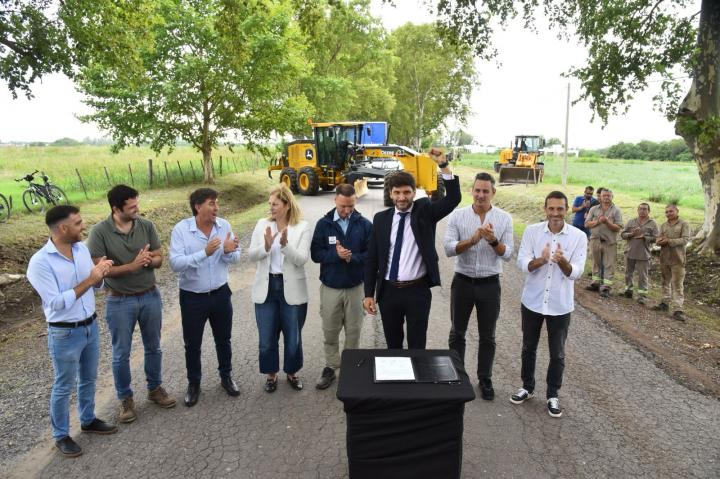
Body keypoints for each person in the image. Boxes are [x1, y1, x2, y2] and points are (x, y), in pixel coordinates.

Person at [26, 205, 118, 457]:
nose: (83, 226)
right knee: (64, 385)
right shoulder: (40, 263)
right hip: (64, 333)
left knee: (88, 378)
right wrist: (91, 279)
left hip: (90, 325)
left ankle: (88, 419)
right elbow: (56, 302)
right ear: (63, 228)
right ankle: (61, 435)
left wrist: (100, 273)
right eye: (78, 223)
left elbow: (95, 286)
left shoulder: (81, 249)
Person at [87, 185, 175, 424]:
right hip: (119, 300)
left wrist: (149, 261)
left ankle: (155, 389)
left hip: (150, 295)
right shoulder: (99, 232)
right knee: (121, 353)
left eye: (137, 204)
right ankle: (125, 398)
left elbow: (159, 257)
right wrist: (132, 265)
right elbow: (101, 270)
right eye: (132, 206)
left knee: (154, 347)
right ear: (116, 209)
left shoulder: (146, 226)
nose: (137, 209)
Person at [364, 148, 461, 349]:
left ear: (414, 193)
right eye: (397, 192)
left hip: (417, 291)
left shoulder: (424, 211)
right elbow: (372, 259)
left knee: (417, 347)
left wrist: (443, 165)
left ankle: (416, 371)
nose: (402, 197)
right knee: (393, 346)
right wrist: (368, 294)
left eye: (406, 192)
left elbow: (453, 199)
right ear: (390, 193)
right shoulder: (381, 219)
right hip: (388, 292)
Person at [511, 191, 587, 418]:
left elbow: (577, 272)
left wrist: (562, 261)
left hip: (560, 305)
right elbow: (522, 263)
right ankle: (527, 387)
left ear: (566, 210)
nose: (555, 213)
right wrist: (542, 260)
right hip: (532, 301)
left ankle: (553, 394)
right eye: (551, 208)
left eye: (560, 209)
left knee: (558, 354)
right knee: (528, 347)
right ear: (545, 209)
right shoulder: (532, 231)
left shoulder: (578, 236)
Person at [443, 172, 513, 400]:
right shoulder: (458, 216)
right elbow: (448, 248)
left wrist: (492, 240)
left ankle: (485, 378)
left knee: (488, 336)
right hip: (462, 281)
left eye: (485, 191)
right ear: (471, 191)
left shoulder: (504, 218)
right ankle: (457, 375)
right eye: (477, 190)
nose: (480, 195)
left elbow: (508, 255)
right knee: (457, 333)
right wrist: (472, 240)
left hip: (489, 284)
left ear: (493, 192)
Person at [169, 188, 241, 407]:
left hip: (220, 293)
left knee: (224, 339)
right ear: (198, 206)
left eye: (217, 203)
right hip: (193, 298)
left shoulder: (224, 226)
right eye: (211, 203)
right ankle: (194, 384)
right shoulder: (182, 230)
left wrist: (228, 251)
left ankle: (226, 377)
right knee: (192, 344)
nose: (216, 207)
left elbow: (236, 257)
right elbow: (175, 264)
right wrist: (205, 253)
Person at [249, 184, 310, 393]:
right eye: (270, 204)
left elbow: (301, 259)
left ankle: (292, 372)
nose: (271, 207)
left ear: (287, 204)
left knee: (293, 338)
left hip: (291, 288)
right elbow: (252, 255)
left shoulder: (302, 226)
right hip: (267, 288)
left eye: (275, 204)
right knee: (267, 338)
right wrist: (266, 246)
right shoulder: (262, 224)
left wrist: (285, 245)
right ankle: (271, 374)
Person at [310, 184, 372, 390]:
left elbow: (371, 255)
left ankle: (350, 369)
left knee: (354, 331)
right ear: (335, 200)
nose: (346, 210)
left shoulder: (365, 225)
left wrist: (352, 257)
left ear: (355, 202)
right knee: (330, 331)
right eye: (343, 206)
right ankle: (331, 367)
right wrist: (334, 255)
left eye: (351, 206)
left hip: (355, 288)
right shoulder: (324, 224)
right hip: (331, 288)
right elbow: (315, 254)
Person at [653, 204, 690, 322]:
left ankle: (678, 309)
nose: (668, 213)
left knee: (677, 284)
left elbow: (685, 240)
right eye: (667, 212)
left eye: (671, 211)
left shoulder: (684, 224)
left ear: (677, 211)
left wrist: (668, 241)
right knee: (665, 282)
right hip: (664, 258)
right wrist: (659, 241)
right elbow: (658, 239)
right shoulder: (663, 225)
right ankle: (664, 303)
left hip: (678, 259)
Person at [585, 189, 623, 297]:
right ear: (600, 197)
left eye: (608, 196)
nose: (606, 197)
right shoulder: (593, 209)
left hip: (609, 242)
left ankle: (606, 287)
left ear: (612, 197)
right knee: (595, 262)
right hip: (595, 240)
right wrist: (598, 221)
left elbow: (618, 228)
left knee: (609, 265)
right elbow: (587, 224)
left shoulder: (616, 210)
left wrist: (607, 222)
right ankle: (595, 283)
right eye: (604, 195)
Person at [620, 203, 658, 305]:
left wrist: (645, 237)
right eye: (640, 209)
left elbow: (656, 238)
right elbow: (622, 234)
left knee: (643, 276)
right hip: (630, 252)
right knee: (628, 273)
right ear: (637, 210)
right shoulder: (631, 221)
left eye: (645, 209)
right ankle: (628, 290)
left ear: (649, 211)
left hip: (644, 254)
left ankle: (642, 296)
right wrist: (632, 234)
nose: (642, 211)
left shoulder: (653, 223)